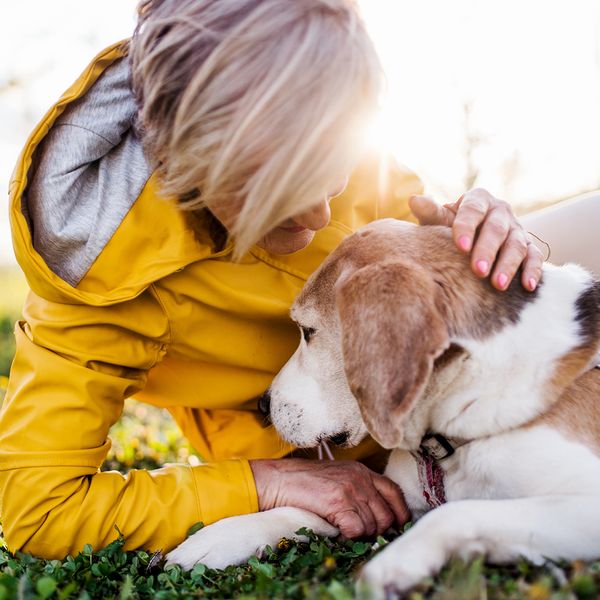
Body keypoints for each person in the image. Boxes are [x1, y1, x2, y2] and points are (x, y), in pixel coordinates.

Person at [0, 0, 543, 559]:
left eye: (332, 179)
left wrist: (479, 233)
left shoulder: (321, 107)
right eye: (279, 204)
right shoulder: (98, 269)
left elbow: (415, 246)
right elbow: (40, 510)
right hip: (323, 443)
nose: (321, 220)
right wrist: (264, 482)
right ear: (183, 160)